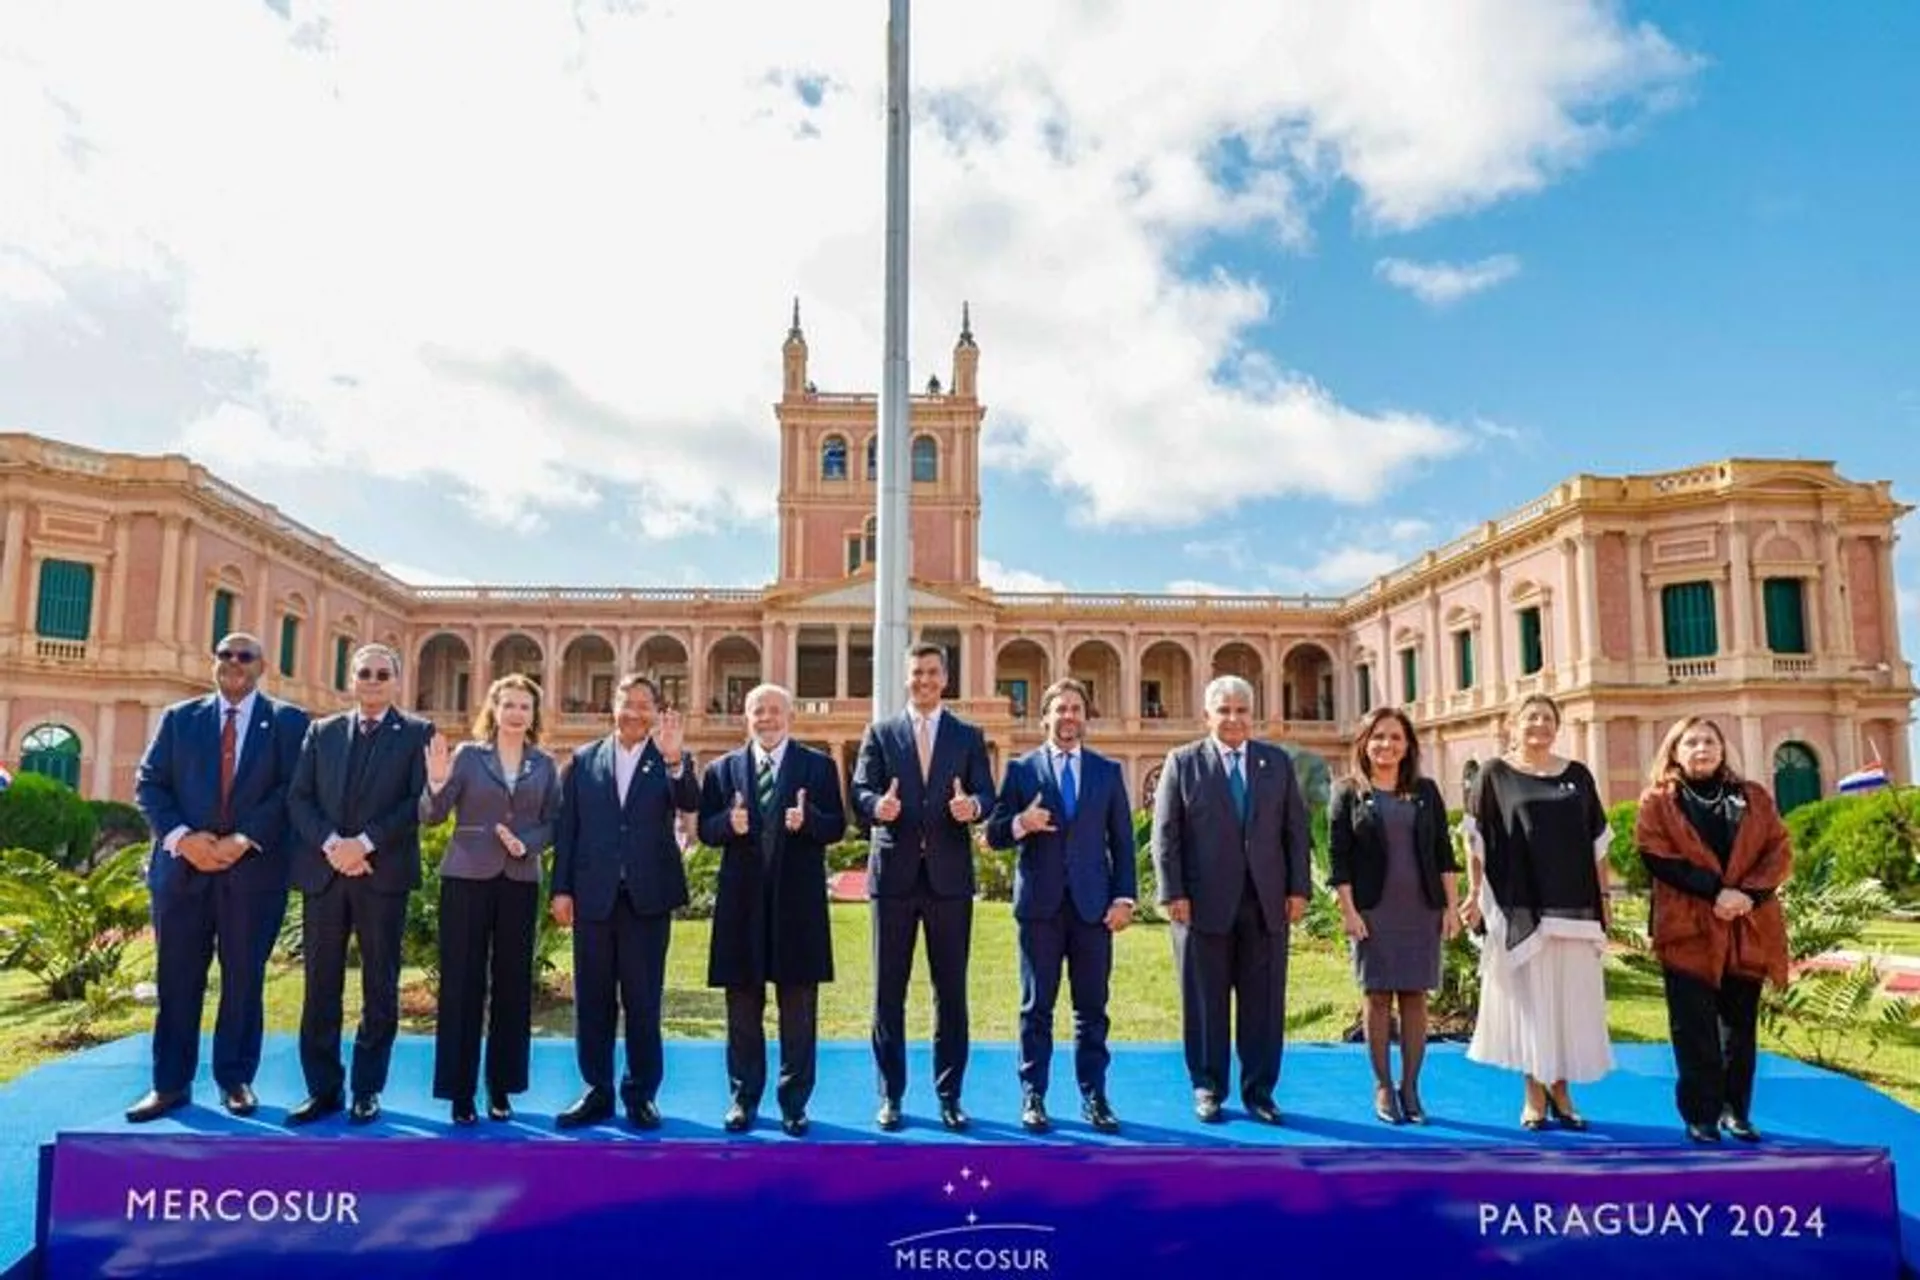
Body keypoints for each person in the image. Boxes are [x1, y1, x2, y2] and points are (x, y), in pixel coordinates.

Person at [125, 633, 309, 1123]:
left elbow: (291, 790)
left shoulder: (289, 723)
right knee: (177, 980)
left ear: (261, 665)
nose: (232, 663)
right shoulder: (180, 719)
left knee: (243, 980)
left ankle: (235, 1080)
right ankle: (169, 1085)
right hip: (182, 872)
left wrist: (242, 839)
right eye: (224, 655)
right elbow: (149, 783)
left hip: (253, 872)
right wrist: (184, 838)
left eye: (244, 656)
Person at [1150, 675, 1312, 1125]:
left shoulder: (1275, 763)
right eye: (1224, 710)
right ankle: (1208, 1086)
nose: (1233, 718)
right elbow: (1166, 836)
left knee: (1263, 1003)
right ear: (1207, 715)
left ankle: (1259, 1092)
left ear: (1252, 715)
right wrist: (1173, 892)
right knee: (1205, 1001)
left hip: (1266, 904)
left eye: (1241, 710)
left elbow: (1295, 833)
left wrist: (1298, 889)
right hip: (1201, 905)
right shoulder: (1182, 762)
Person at [285, 643, 434, 1126]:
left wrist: (364, 844)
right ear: (352, 679)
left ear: (396, 681)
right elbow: (299, 798)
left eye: (381, 673)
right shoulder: (321, 732)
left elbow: (416, 802)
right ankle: (323, 1088)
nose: (372, 680)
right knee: (320, 985)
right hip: (326, 875)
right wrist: (333, 845)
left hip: (381, 875)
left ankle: (367, 1089)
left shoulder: (417, 733)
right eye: (364, 673)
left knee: (379, 985)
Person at [852, 642, 995, 1132]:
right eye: (916, 673)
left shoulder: (968, 736)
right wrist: (876, 807)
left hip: (949, 880)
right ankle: (890, 1095)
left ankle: (950, 1095)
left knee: (950, 993)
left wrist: (971, 808)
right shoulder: (881, 732)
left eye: (932, 672)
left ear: (945, 678)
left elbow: (987, 793)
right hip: (892, 879)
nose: (924, 680)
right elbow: (860, 791)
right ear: (906, 678)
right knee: (887, 993)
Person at [984, 677, 1136, 1134]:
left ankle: (1095, 1097)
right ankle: (1034, 1095)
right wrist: (1020, 824)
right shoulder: (1021, 771)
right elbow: (992, 834)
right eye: (1060, 709)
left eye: (1076, 709)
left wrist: (1124, 898)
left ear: (1084, 718)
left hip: (1093, 909)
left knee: (1092, 1008)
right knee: (1037, 1007)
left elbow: (1123, 843)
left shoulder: (1107, 772)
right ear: (1044, 717)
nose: (1068, 716)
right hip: (1040, 908)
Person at [696, 683, 844, 1137]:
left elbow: (838, 825)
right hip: (741, 907)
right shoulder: (722, 771)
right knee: (742, 1008)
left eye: (775, 711)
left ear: (790, 716)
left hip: (797, 908)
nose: (767, 719)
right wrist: (727, 823)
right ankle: (744, 1098)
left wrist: (810, 822)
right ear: (747, 717)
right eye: (758, 711)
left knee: (798, 1011)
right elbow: (704, 827)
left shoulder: (817, 767)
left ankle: (794, 1103)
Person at [549, 674, 696, 1130]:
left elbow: (691, 801)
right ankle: (596, 1089)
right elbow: (567, 830)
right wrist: (561, 889)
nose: (634, 712)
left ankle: (641, 1094)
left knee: (643, 1000)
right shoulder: (583, 760)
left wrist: (675, 762)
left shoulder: (670, 758)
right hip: (593, 896)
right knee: (592, 1000)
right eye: (626, 702)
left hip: (647, 899)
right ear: (611, 706)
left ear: (656, 710)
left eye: (643, 704)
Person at [1460, 693, 1613, 1130]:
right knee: (1532, 1003)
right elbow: (1477, 840)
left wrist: (1604, 899)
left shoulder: (1578, 776)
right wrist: (1474, 894)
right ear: (1512, 724)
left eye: (1548, 718)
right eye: (1531, 717)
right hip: (1521, 906)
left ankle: (1562, 1090)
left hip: (1575, 907)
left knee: (1567, 1002)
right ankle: (1534, 1093)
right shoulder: (1494, 774)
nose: (1540, 725)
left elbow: (1597, 843)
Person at [1635, 716, 1791, 1143]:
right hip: (1687, 930)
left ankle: (1736, 1111)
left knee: (1739, 1030)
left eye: (1709, 741)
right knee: (1694, 1028)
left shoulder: (1753, 797)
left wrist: (1747, 896)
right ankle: (1701, 1114)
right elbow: (1656, 855)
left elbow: (1778, 850)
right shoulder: (1658, 801)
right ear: (1675, 751)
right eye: (1691, 743)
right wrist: (1715, 893)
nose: (1701, 749)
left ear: (1722, 750)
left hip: (1747, 927)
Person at [420, 673, 562, 1125]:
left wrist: (529, 842)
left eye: (525, 706)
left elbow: (554, 821)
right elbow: (432, 816)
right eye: (509, 705)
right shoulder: (466, 756)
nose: (517, 713)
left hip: (519, 878)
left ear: (534, 715)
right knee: (461, 983)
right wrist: (436, 784)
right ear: (494, 710)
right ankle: (460, 1092)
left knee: (513, 986)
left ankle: (501, 1089)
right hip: (466, 876)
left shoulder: (544, 765)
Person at [1327, 707, 1460, 1126]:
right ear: (1364, 743)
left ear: (1408, 746)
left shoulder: (1426, 791)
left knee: (1416, 996)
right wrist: (1349, 911)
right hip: (1372, 910)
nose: (1387, 745)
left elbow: (1443, 853)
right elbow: (1339, 859)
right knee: (1378, 996)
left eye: (1396, 738)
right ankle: (1383, 1086)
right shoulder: (1348, 791)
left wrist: (1452, 907)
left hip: (1421, 907)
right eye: (1378, 737)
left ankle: (1411, 1088)